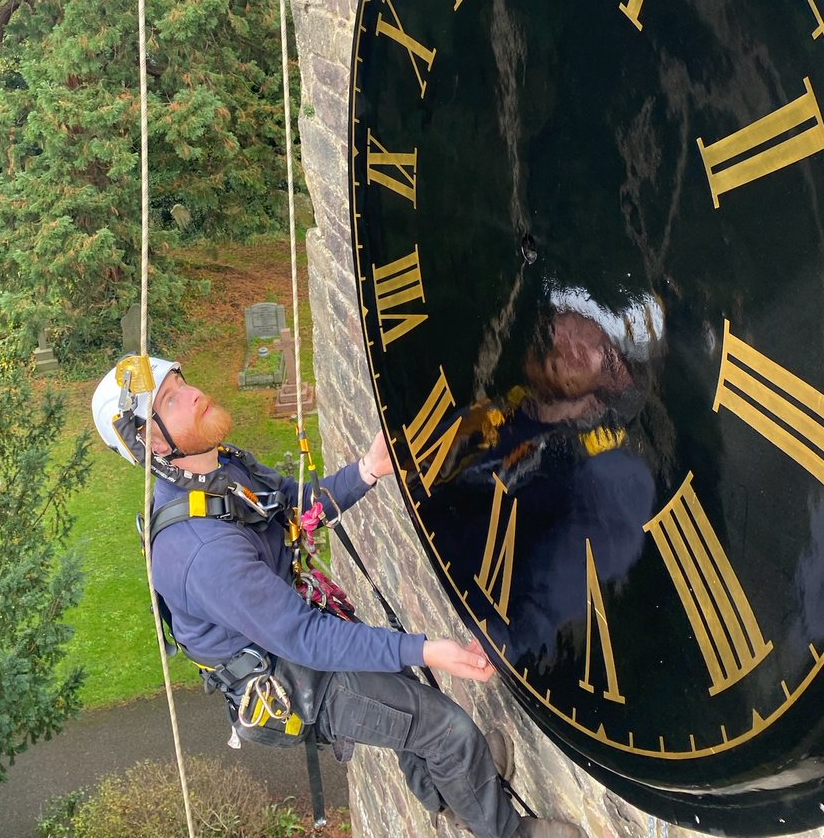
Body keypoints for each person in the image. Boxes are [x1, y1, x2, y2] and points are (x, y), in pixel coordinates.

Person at [92, 356, 579, 838]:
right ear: (151, 442)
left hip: (292, 637)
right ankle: (507, 830)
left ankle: (454, 793)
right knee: (442, 726)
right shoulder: (201, 550)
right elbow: (304, 638)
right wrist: (428, 647)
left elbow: (290, 505)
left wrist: (367, 469)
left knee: (405, 692)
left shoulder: (219, 468)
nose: (194, 392)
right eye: (170, 400)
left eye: (182, 380)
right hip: (294, 677)